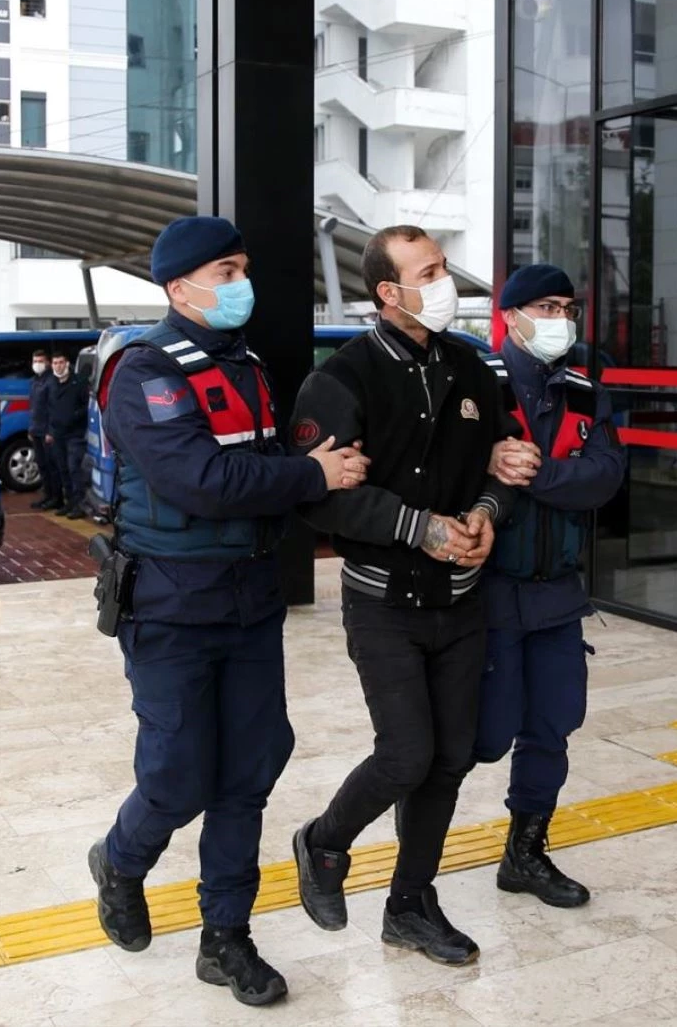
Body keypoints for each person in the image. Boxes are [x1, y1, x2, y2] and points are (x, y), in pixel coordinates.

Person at [87, 215, 369, 1008]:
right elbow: (201, 481)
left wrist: (318, 471)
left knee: (249, 772)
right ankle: (120, 861)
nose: (243, 283)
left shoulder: (244, 366)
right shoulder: (146, 372)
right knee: (177, 778)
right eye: (227, 272)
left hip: (248, 602)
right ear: (180, 288)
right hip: (171, 608)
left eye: (243, 267)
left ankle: (226, 937)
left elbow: (264, 464)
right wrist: (312, 476)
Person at [288, 225, 526, 967]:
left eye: (443, 266)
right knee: (406, 756)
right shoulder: (341, 379)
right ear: (389, 292)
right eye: (429, 272)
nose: (444, 281)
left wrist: (486, 513)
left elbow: (504, 462)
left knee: (450, 758)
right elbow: (319, 498)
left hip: (461, 602)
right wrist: (417, 527)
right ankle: (324, 842)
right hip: (384, 603)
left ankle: (410, 905)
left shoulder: (470, 367)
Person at [477, 263, 625, 907]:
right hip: (485, 593)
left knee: (552, 724)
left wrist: (534, 475)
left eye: (567, 308)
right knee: (477, 734)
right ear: (511, 317)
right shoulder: (478, 384)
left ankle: (526, 854)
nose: (560, 319)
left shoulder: (584, 390)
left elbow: (605, 475)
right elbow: (449, 471)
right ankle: (414, 871)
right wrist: (497, 465)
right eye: (545, 307)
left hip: (557, 594)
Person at [45, 351, 89, 518]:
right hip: (58, 434)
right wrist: (50, 430)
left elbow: (86, 406)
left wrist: (73, 416)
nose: (58, 366)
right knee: (63, 470)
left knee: (74, 468)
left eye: (61, 362)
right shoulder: (51, 383)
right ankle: (69, 503)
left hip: (75, 434)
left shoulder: (78, 382)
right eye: (55, 363)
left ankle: (79, 505)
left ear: (67, 363)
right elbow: (48, 408)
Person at [28, 349, 62, 510]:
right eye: (35, 361)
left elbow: (53, 408)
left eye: (40, 361)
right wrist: (31, 428)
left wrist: (50, 431)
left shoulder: (51, 381)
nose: (37, 364)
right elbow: (33, 407)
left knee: (51, 466)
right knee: (42, 465)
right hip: (36, 430)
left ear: (47, 363)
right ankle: (47, 495)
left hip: (46, 432)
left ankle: (56, 498)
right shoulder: (35, 381)